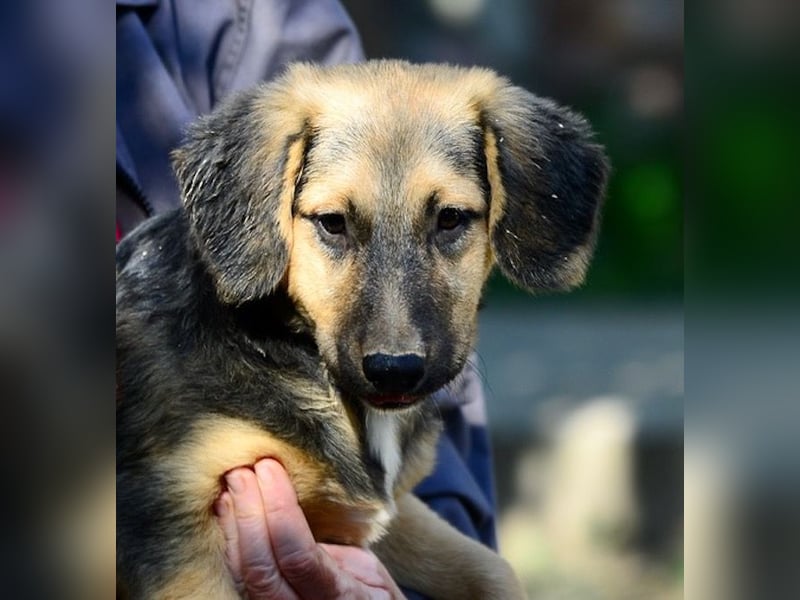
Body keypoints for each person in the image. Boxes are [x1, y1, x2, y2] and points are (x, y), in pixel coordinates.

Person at [117, 1, 499, 597]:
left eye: (450, 219)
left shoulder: (245, 17)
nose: (395, 344)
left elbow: (382, 518)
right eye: (334, 224)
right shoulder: (204, 403)